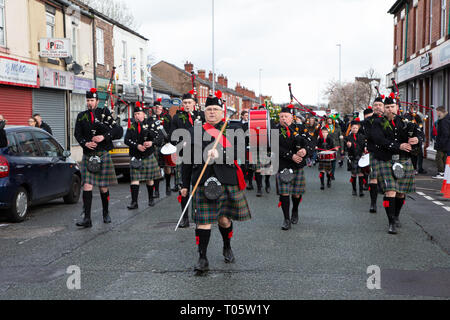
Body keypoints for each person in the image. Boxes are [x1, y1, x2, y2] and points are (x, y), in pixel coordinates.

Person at [180, 93, 251, 273]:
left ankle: (227, 246)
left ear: (222, 112)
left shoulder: (233, 129)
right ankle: (202, 257)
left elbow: (240, 153)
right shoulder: (193, 131)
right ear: (204, 112)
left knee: (224, 220)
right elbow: (187, 160)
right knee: (203, 221)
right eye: (209, 109)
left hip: (226, 179)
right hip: (202, 180)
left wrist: (221, 155)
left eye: (215, 109)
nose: (212, 112)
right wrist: (184, 184)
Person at [371, 93, 421, 235]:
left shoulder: (405, 121)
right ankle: (391, 221)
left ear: (397, 107)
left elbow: (419, 132)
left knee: (400, 194)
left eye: (392, 107)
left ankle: (396, 215)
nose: (389, 110)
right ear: (384, 109)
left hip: (404, 160)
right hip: (385, 160)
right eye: (387, 107)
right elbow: (379, 139)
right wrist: (398, 145)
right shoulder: (377, 123)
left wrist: (417, 139)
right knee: (390, 191)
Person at [74, 88, 124, 228]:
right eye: (88, 100)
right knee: (87, 185)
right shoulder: (81, 116)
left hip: (102, 153)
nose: (89, 103)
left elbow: (118, 131)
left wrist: (104, 136)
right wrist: (85, 143)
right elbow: (77, 134)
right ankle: (87, 218)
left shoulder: (104, 113)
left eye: (92, 100)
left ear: (97, 101)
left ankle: (106, 212)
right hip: (89, 154)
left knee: (103, 187)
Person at [171, 92, 205, 229]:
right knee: (183, 187)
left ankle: (199, 216)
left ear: (194, 104)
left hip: (199, 155)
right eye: (184, 103)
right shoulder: (177, 117)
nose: (186, 105)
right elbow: (173, 137)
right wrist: (180, 143)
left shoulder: (201, 116)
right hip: (184, 156)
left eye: (189, 103)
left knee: (199, 185)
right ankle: (184, 218)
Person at [125, 102, 163, 210]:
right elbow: (126, 140)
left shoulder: (150, 124)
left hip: (147, 155)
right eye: (135, 114)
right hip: (136, 156)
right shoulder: (131, 127)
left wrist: (152, 143)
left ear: (143, 115)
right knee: (134, 180)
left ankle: (151, 198)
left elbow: (160, 137)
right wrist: (136, 146)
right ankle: (134, 202)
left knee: (149, 179)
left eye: (139, 114)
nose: (137, 116)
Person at [276, 105, 308, 231]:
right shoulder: (275, 130)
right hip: (283, 165)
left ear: (291, 118)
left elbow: (310, 142)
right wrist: (291, 156)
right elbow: (273, 146)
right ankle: (286, 219)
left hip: (297, 165)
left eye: (286, 116)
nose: (283, 119)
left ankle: (295, 209)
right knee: (284, 192)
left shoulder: (299, 128)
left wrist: (305, 150)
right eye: (281, 116)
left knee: (296, 194)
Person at [365, 97, 385, 213]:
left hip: (388, 152)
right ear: (373, 107)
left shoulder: (389, 119)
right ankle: (373, 203)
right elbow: (369, 135)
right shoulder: (368, 121)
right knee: (373, 178)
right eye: (375, 105)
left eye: (380, 105)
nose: (378, 107)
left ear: (383, 107)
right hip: (374, 152)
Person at [150, 99, 172, 198]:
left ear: (162, 108)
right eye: (155, 107)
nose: (157, 109)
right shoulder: (150, 119)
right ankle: (157, 191)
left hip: (166, 145)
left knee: (167, 167)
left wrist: (170, 139)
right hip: (155, 146)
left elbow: (171, 130)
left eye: (159, 107)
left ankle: (168, 186)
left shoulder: (167, 117)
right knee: (157, 169)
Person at [344, 119, 367, 197]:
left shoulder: (362, 137)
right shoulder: (347, 137)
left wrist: (365, 149)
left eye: (356, 128)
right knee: (353, 174)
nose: (354, 129)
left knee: (361, 174)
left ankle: (361, 190)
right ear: (351, 128)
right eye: (353, 128)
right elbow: (345, 148)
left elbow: (364, 146)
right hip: (352, 157)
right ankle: (354, 189)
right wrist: (348, 146)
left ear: (358, 129)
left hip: (360, 157)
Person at [404, 104, 427, 174]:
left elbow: (420, 127)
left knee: (420, 154)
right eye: (412, 109)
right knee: (412, 154)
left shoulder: (418, 117)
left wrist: (423, 138)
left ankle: (420, 168)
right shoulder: (406, 116)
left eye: (415, 109)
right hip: (410, 138)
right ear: (410, 109)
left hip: (418, 138)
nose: (414, 110)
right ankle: (413, 168)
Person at [434, 106, 450, 179]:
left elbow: (445, 133)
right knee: (444, 158)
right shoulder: (446, 118)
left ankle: (441, 173)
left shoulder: (444, 121)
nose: (437, 113)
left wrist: (441, 143)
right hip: (446, 143)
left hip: (443, 143)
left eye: (437, 112)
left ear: (440, 112)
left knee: (439, 157)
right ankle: (444, 172)